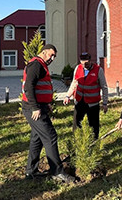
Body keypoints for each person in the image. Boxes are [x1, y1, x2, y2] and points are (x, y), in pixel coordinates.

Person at [21, 44, 74, 184]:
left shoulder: (41, 65)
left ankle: (31, 171)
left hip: (40, 106)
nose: (53, 58)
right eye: (51, 55)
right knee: (50, 136)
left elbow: (40, 87)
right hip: (33, 109)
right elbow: (28, 87)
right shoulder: (36, 65)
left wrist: (46, 104)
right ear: (44, 52)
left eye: (54, 56)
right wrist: (35, 107)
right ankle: (57, 172)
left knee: (37, 138)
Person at [63, 52, 109, 139]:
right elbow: (74, 83)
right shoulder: (78, 68)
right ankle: (77, 141)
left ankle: (94, 142)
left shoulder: (98, 70)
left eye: (86, 62)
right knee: (76, 123)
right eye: (82, 62)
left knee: (94, 125)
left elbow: (104, 87)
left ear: (90, 60)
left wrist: (105, 103)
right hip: (80, 101)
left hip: (93, 104)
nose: (84, 64)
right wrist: (67, 96)